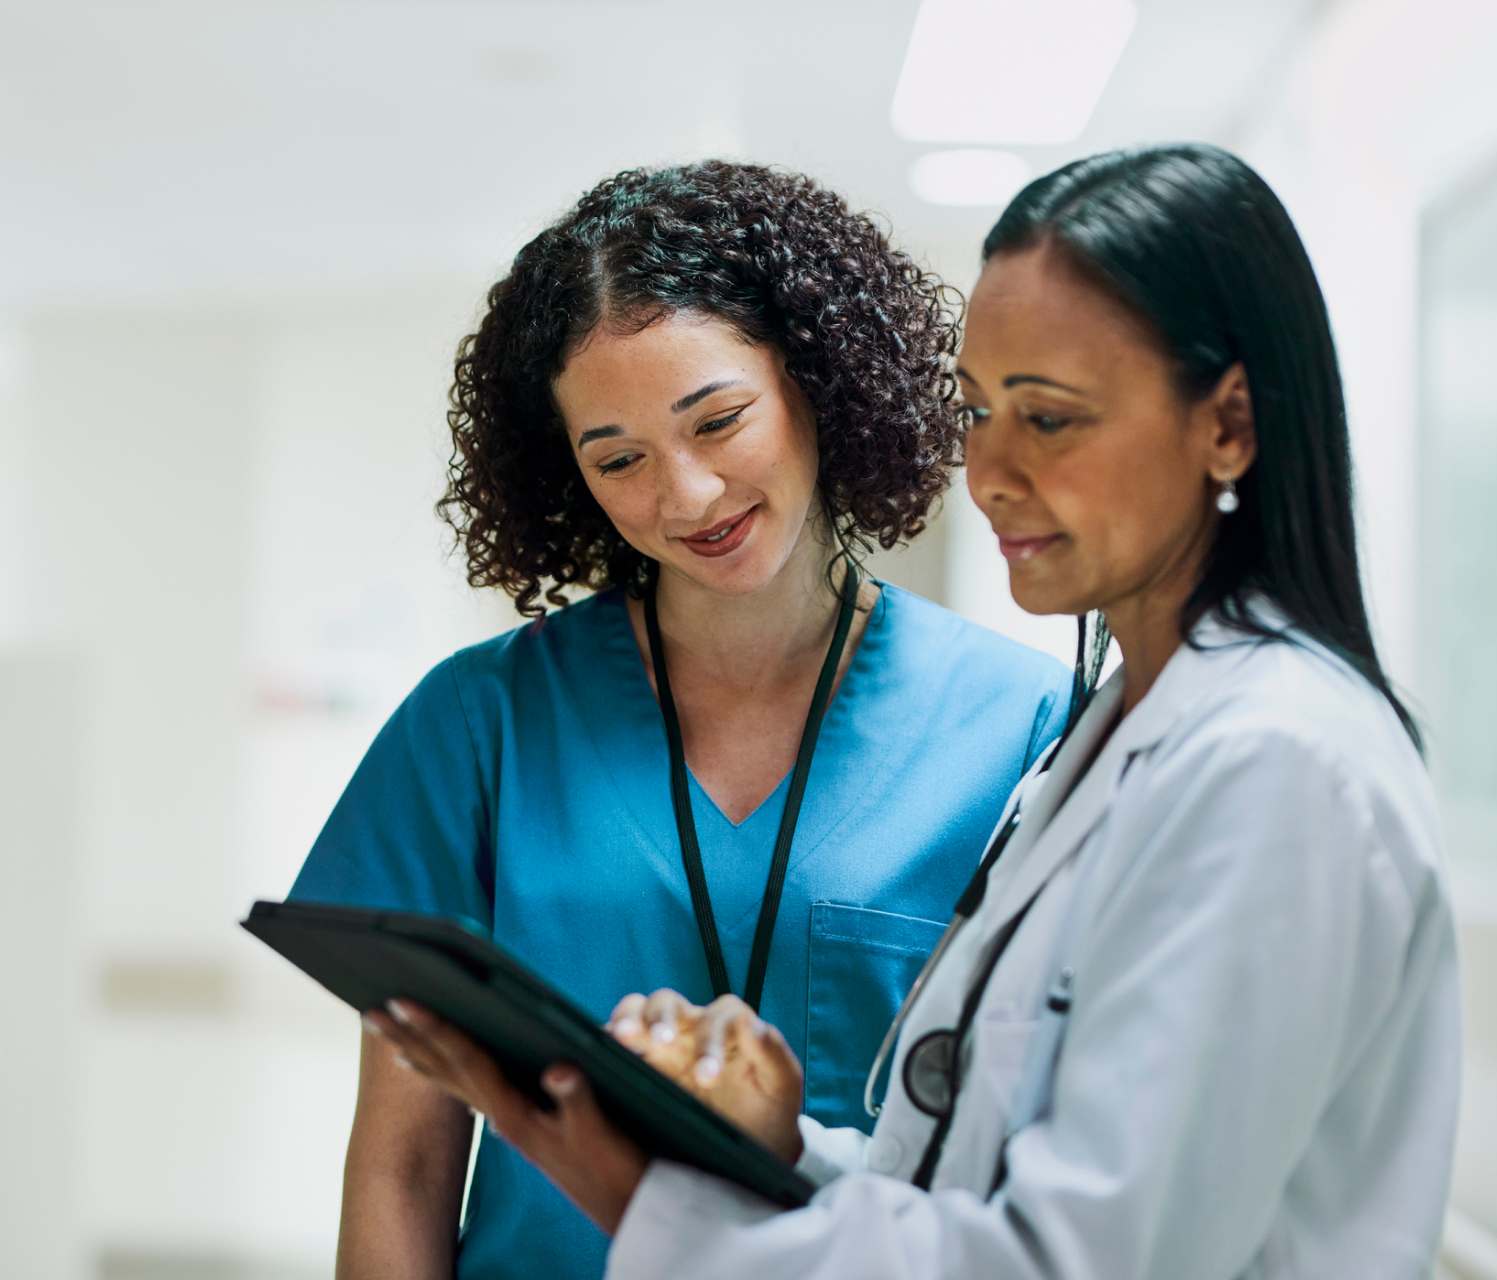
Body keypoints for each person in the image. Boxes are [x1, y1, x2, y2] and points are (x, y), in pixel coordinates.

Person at [367, 145, 1462, 1279]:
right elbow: (959, 1179)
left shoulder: (1270, 765)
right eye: (980, 408)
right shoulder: (1120, 743)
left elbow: (1072, 1258)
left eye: (1049, 417)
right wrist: (775, 1147)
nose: (987, 470)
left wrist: (641, 1191)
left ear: (1226, 425)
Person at [290, 160, 1071, 1280]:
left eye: (720, 419)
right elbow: (402, 1164)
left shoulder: (1022, 723)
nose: (687, 495)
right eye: (619, 458)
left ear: (818, 382)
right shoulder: (478, 725)